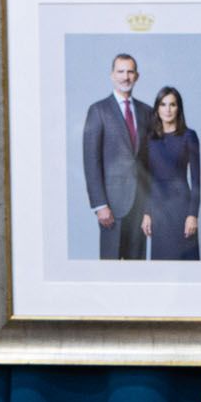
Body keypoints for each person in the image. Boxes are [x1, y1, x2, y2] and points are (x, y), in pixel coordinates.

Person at [82, 51, 152, 260]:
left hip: (139, 207)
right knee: (110, 270)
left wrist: (149, 209)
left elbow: (149, 164)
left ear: (137, 76)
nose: (125, 77)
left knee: (137, 272)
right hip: (111, 207)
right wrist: (100, 205)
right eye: (120, 71)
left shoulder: (147, 112)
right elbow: (91, 161)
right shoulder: (98, 111)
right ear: (112, 75)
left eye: (130, 72)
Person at [141, 86, 201, 261]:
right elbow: (148, 180)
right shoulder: (150, 139)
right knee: (161, 265)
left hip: (181, 207)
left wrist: (192, 215)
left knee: (186, 266)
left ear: (178, 108)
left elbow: (197, 180)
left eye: (172, 105)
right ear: (157, 108)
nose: (167, 109)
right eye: (163, 104)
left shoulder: (189, 136)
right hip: (158, 210)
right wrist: (146, 213)